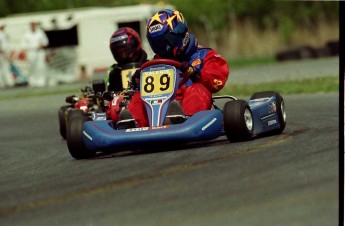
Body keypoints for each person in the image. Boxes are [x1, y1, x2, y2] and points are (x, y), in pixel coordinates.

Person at [122, 9, 229, 128]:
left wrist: (195, 73)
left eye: (167, 41)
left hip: (192, 106)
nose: (163, 48)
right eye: (157, 44)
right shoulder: (153, 64)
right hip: (157, 107)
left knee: (197, 88)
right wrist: (138, 80)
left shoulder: (205, 56)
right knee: (139, 96)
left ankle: (185, 119)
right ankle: (132, 124)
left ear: (181, 33)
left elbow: (217, 81)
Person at [104, 27, 148, 125]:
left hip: (146, 97)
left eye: (126, 50)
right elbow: (107, 93)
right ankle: (125, 118)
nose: (123, 55)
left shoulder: (148, 63)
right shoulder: (113, 71)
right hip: (121, 100)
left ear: (135, 46)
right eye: (119, 52)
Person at [21, 22, 49, 87]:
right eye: (32, 25)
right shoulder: (26, 34)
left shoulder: (40, 32)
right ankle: (32, 81)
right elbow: (23, 45)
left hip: (39, 51)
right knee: (32, 66)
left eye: (34, 25)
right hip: (31, 52)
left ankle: (41, 81)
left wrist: (41, 45)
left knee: (40, 66)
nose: (33, 26)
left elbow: (46, 42)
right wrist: (25, 53)